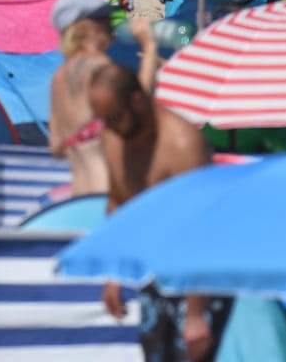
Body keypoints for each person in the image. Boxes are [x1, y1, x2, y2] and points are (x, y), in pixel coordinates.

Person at [91, 64, 221, 360]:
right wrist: (114, 274)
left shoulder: (183, 144)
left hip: (198, 275)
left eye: (113, 118)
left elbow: (202, 228)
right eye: (102, 120)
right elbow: (118, 203)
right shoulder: (113, 138)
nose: (108, 127)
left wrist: (197, 313)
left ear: (137, 100)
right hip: (153, 269)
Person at [48, 0, 158, 198]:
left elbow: (56, 146)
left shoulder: (58, 78)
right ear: (82, 28)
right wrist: (150, 47)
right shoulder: (98, 65)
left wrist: (82, 138)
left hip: (77, 193)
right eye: (103, 19)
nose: (111, 25)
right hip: (107, 190)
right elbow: (139, 104)